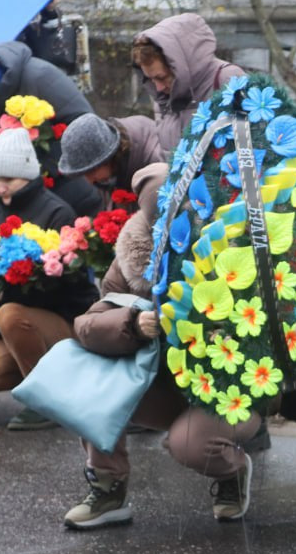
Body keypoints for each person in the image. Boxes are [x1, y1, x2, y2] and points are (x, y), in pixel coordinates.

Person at [62, 164, 261, 528]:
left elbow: (262, 332)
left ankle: (231, 470)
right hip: (164, 385)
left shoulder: (233, 248)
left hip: (228, 388)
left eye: (184, 215)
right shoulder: (134, 256)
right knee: (92, 387)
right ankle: (108, 488)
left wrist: (216, 329)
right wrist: (133, 324)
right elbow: (88, 326)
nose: (175, 232)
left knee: (189, 445)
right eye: (163, 221)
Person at [0, 129, 99, 429]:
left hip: (60, 325)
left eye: (8, 180)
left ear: (29, 175)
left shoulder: (57, 213)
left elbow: (77, 290)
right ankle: (44, 381)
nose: (1, 188)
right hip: (12, 328)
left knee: (9, 313)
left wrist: (22, 283)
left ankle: (46, 401)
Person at [0, 40, 99, 216]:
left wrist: (37, 165)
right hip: (27, 194)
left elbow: (85, 124)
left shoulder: (39, 77)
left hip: (71, 188)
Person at [131, 13, 245, 152]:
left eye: (161, 77)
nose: (158, 88)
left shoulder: (228, 79)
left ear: (181, 66)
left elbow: (252, 151)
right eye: (151, 79)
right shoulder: (163, 98)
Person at [57, 113, 165, 210]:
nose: (89, 181)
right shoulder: (111, 171)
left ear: (108, 158)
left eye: (90, 172)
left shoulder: (155, 163)